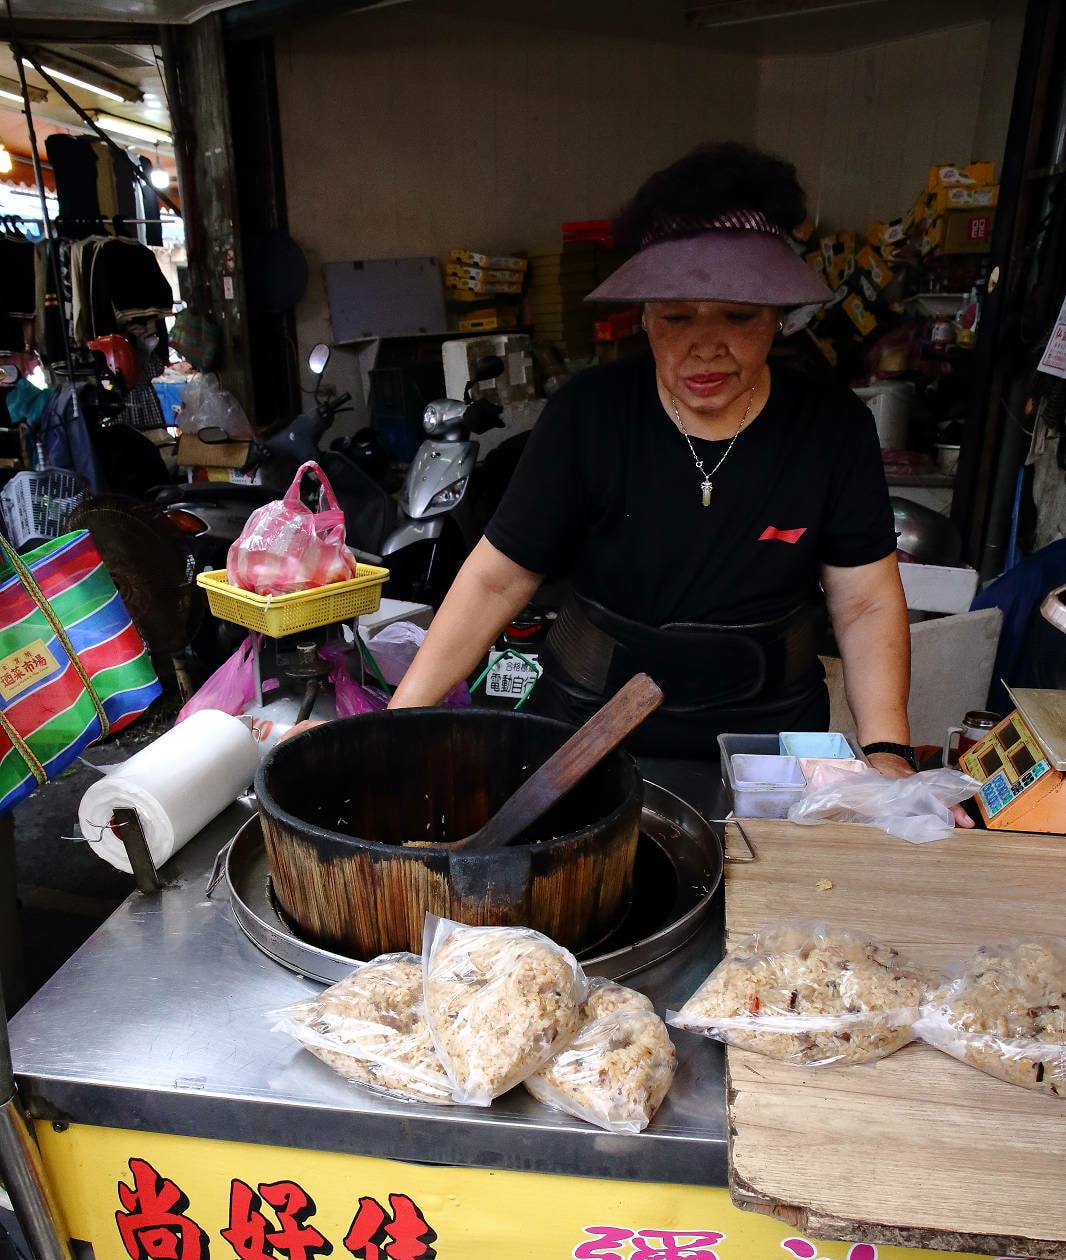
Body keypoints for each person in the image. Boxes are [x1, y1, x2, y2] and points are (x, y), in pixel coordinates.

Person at [393, 143, 957, 813]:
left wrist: (887, 753)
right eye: (678, 316)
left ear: (778, 314)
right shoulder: (589, 414)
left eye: (739, 316)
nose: (707, 344)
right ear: (644, 314)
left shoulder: (831, 427)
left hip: (767, 739)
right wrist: (398, 727)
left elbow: (863, 601)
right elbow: (497, 578)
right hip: (588, 728)